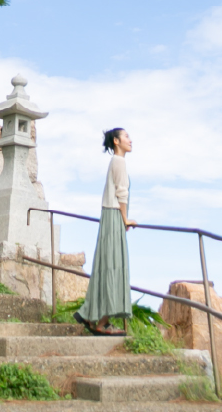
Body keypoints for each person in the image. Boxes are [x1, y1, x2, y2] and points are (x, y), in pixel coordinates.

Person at [75, 127, 136, 336]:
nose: (131, 139)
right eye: (126, 136)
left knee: (106, 265)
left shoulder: (115, 162)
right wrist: (125, 219)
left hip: (109, 215)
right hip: (113, 215)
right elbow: (122, 193)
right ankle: (100, 321)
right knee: (113, 265)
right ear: (117, 142)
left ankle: (93, 317)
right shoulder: (119, 162)